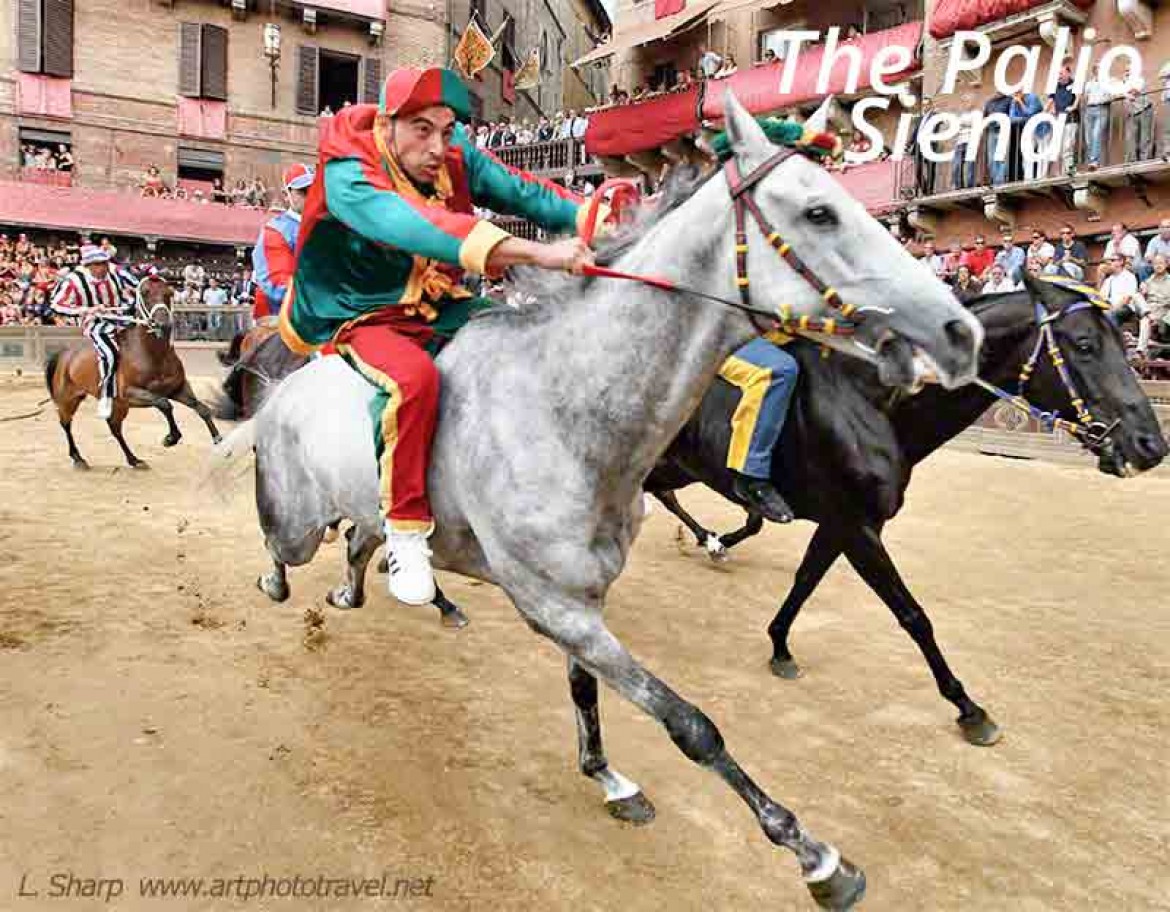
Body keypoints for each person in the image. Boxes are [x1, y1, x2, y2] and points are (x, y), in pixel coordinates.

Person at [278, 67, 602, 605]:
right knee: (413, 380)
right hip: (363, 311)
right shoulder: (347, 173)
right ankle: (404, 532)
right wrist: (542, 253)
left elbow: (525, 193)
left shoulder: (451, 154)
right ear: (388, 123)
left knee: (519, 337)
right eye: (422, 130)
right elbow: (416, 226)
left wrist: (596, 217)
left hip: (437, 303)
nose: (438, 145)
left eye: (447, 130)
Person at [49, 245, 140, 419]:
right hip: (96, 323)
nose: (103, 268)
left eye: (105, 263)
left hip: (121, 318)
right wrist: (86, 309)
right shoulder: (74, 280)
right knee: (110, 353)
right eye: (98, 264)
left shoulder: (116, 271)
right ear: (88, 265)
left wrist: (129, 303)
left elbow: (137, 286)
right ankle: (106, 394)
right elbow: (56, 304)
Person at [252, 163, 314, 324]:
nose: (312, 196)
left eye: (316, 190)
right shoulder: (276, 231)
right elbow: (279, 286)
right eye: (304, 191)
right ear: (286, 195)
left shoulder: (330, 227)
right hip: (278, 316)